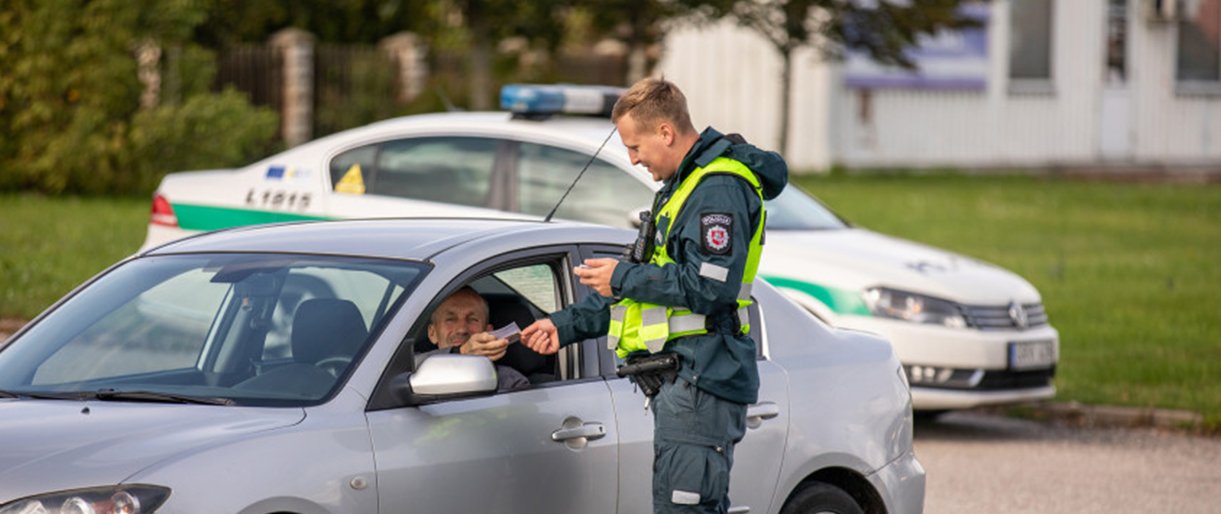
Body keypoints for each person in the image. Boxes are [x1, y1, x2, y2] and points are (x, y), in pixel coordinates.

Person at [522, 78, 787, 513]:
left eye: (634, 146)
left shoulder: (717, 188)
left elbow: (711, 287)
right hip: (686, 378)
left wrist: (623, 277)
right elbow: (646, 290)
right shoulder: (685, 186)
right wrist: (562, 325)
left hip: (702, 377)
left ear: (665, 132)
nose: (632, 159)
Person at [419, 286, 529, 392]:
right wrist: (460, 352)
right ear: (432, 333)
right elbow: (412, 366)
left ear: (488, 332)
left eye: (473, 319)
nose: (462, 329)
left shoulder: (510, 384)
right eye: (450, 319)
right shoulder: (415, 374)